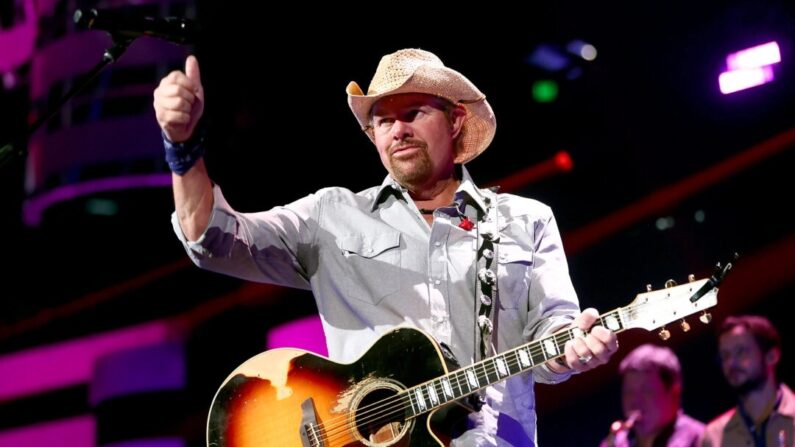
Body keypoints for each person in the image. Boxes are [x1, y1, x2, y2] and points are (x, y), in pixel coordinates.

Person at [153, 48, 619, 445]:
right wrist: (183, 147)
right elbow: (212, 240)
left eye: (413, 113)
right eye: (383, 120)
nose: (397, 130)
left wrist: (576, 350)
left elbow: (552, 340)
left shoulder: (524, 219)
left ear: (455, 120)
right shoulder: (330, 215)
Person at [700, 315, 794, 447]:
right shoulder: (714, 435)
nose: (730, 363)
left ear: (772, 356)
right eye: (725, 356)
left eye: (741, 352)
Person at [600, 344, 704, 447]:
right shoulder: (615, 443)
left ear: (674, 391)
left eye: (646, 390)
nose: (635, 400)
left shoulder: (702, 439)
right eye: (629, 391)